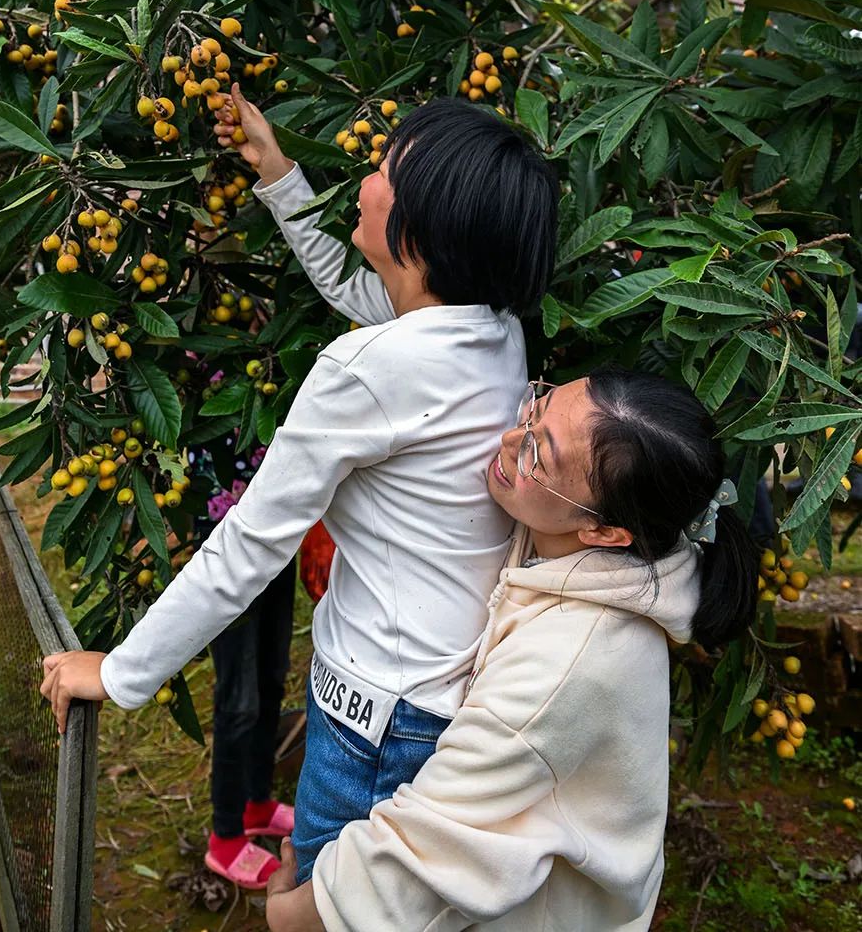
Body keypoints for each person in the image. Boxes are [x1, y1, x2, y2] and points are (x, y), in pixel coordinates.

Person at [41, 88, 559, 882]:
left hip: (373, 721)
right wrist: (276, 172)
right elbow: (364, 297)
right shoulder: (493, 336)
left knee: (334, 903)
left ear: (421, 228)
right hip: (443, 701)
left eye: (386, 167)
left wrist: (119, 672)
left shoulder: (365, 369)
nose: (364, 176)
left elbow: (249, 544)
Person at [264, 368, 759, 932]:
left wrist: (293, 915)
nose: (507, 441)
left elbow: (429, 850)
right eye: (534, 408)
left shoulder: (570, 662)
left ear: (604, 532)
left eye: (537, 457)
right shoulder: (570, 546)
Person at [190, 433, 297, 888]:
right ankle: (226, 835)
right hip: (222, 528)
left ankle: (258, 802)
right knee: (239, 695)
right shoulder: (199, 366)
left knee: (272, 675)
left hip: (277, 521)